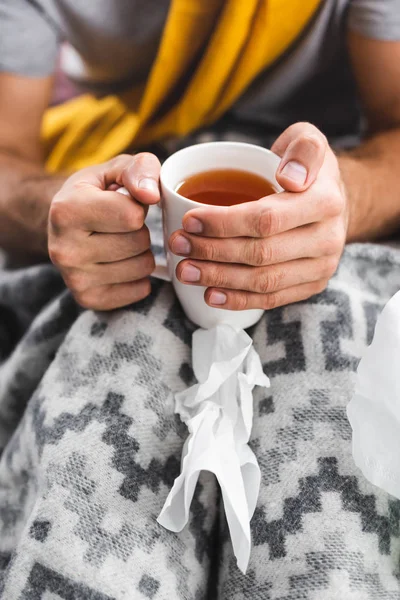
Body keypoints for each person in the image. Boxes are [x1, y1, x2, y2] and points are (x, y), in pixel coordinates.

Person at [0, 1, 400, 599]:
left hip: (338, 183)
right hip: (140, 171)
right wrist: (63, 211)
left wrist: (343, 205)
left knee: (331, 436)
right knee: (110, 400)